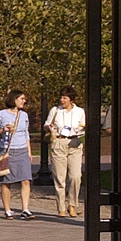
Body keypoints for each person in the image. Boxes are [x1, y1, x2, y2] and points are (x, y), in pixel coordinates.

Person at [0, 89, 35, 219]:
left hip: (22, 150)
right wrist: (3, 130)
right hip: (7, 151)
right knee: (7, 181)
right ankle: (8, 210)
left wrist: (29, 151)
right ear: (14, 99)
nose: (24, 101)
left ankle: (25, 209)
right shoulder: (1, 115)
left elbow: (26, 133)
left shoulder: (24, 115)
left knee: (26, 180)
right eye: (22, 98)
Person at [43, 86, 84, 217]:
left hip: (74, 143)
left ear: (71, 100)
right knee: (60, 178)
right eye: (61, 97)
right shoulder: (55, 111)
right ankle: (61, 206)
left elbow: (84, 127)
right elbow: (46, 124)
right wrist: (49, 128)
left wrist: (80, 130)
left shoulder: (79, 111)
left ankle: (72, 204)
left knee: (75, 176)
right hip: (58, 142)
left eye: (65, 98)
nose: (62, 100)